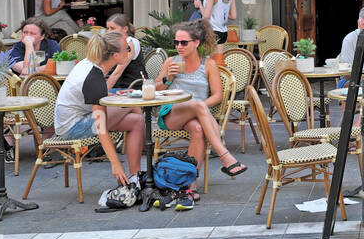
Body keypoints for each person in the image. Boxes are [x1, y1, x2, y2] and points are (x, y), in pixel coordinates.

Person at [149, 21, 248, 195]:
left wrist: (200, 107)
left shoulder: (208, 65)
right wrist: (168, 78)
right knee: (197, 105)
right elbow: (155, 90)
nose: (179, 46)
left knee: (197, 129)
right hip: (172, 113)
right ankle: (225, 156)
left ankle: (190, 185)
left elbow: (217, 96)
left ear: (196, 43)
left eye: (183, 42)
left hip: (199, 115)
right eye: (176, 42)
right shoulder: (171, 62)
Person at [52, 31, 145, 186]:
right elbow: (101, 127)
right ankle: (135, 171)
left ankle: (135, 176)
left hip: (76, 117)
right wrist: (115, 163)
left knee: (136, 120)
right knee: (133, 107)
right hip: (71, 127)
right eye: (127, 49)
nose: (130, 52)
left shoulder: (92, 63)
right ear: (115, 55)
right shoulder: (93, 78)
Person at [105, 13, 146, 90]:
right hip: (117, 86)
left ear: (125, 29)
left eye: (113, 28)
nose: (109, 32)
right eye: (107, 28)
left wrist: (101, 93)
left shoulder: (131, 43)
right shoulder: (113, 43)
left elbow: (117, 72)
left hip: (133, 88)